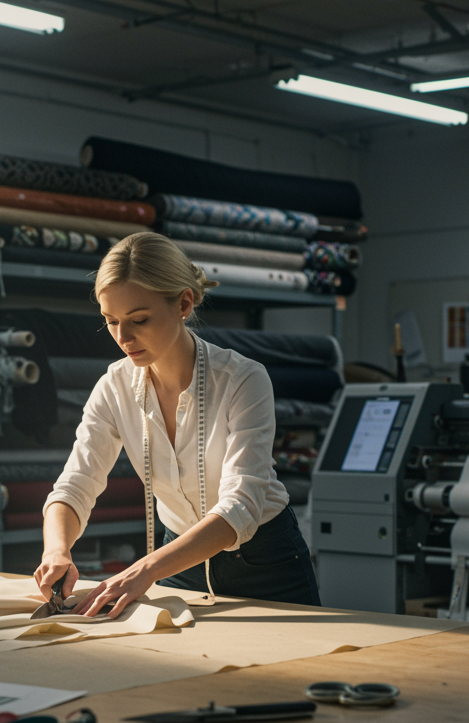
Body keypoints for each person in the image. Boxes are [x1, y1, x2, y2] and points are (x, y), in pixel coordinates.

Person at [34, 232, 321, 619]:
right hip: (177, 566)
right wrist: (57, 550)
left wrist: (145, 569)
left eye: (139, 319)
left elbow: (241, 505)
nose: (122, 337)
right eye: (111, 321)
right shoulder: (114, 387)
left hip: (265, 564)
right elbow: (75, 483)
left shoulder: (242, 380)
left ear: (184, 303)